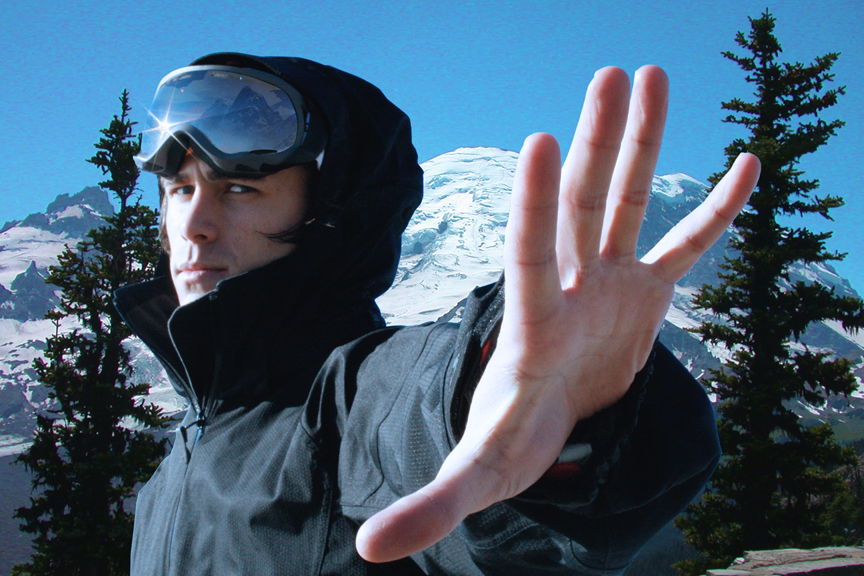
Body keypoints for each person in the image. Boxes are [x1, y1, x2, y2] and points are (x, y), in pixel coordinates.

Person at [116, 52, 760, 575]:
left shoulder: (346, 402)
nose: (193, 224)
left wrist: (556, 428)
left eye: (240, 188)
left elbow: (415, 417)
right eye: (179, 189)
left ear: (331, 214)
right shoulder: (175, 462)